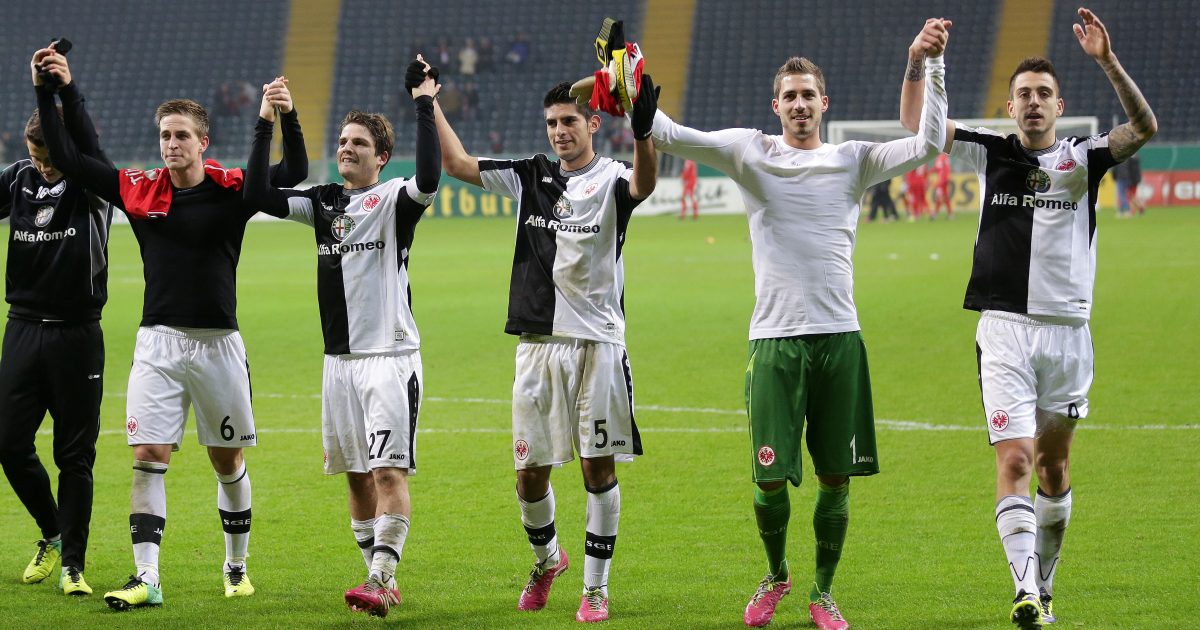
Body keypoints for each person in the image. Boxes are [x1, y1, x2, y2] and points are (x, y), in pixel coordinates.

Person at [649, 19, 950, 630]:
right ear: (776, 105)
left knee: (835, 477)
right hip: (774, 341)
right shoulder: (748, 150)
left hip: (840, 335)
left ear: (824, 102)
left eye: (809, 94)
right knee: (769, 480)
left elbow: (930, 143)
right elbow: (670, 134)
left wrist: (927, 65)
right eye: (790, 96)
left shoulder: (853, 159)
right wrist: (630, 96)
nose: (800, 105)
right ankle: (777, 573)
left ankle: (823, 591)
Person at [899, 8, 1155, 629]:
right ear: (1010, 108)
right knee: (1014, 460)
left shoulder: (1085, 159)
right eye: (1023, 95)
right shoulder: (991, 153)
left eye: (1043, 94)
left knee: (1054, 466)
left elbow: (1143, 127)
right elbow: (918, 126)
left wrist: (1107, 60)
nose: (1033, 102)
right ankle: (1026, 592)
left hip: (1068, 335)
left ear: (1059, 105)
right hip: (1005, 330)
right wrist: (919, 60)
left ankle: (1045, 581)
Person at [34, 46, 309, 610]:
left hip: (218, 346)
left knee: (227, 460)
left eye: (181, 135)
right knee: (147, 456)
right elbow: (68, 154)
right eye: (164, 135)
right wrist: (52, 89)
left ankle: (236, 566)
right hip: (157, 343)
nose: (171, 144)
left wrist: (283, 116)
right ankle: (147, 577)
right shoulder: (140, 191)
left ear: (202, 142)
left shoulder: (233, 188)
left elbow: (294, 172)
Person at [434, 69, 659, 622]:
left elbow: (645, 185)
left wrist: (645, 129)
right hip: (537, 346)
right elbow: (458, 165)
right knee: (529, 475)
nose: (559, 131)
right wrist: (429, 102)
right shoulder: (529, 175)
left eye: (569, 122)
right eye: (552, 123)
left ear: (593, 123)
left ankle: (595, 588)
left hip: (597, 345)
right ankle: (547, 561)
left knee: (596, 470)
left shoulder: (612, 177)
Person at [242, 57, 440, 619]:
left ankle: (381, 578)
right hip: (338, 364)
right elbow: (258, 193)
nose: (347, 147)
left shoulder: (396, 200)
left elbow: (430, 176)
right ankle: (374, 576)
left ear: (381, 158)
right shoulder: (323, 201)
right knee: (355, 479)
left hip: (388, 358)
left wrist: (424, 102)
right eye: (344, 140)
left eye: (360, 143)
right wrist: (270, 119)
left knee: (387, 472)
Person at [0, 45, 112, 597]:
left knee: (74, 455)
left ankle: (73, 562)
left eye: (49, 156)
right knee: (8, 443)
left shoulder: (89, 179)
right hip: (21, 328)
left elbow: (81, 146)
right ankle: (52, 531)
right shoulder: (19, 177)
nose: (42, 166)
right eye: (35, 155)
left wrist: (54, 90)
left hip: (76, 334)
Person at [932, 152, 953, 218]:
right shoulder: (945, 157)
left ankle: (935, 213)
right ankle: (950, 214)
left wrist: (930, 171)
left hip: (942, 181)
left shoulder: (940, 158)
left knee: (939, 196)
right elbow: (947, 169)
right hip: (946, 180)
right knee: (945, 197)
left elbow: (937, 168)